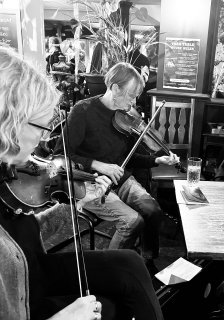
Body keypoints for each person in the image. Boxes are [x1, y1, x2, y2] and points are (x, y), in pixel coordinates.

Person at [0, 47, 164, 320]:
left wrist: (78, 204)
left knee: (131, 262)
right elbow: (63, 154)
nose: (43, 139)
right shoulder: (83, 111)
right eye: (41, 127)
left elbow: (31, 232)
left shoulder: (8, 172)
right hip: (26, 289)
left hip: (34, 269)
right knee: (113, 302)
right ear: (10, 123)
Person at [54, 62, 179, 274]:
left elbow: (128, 159)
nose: (134, 101)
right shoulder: (83, 110)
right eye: (131, 95)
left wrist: (156, 161)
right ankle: (109, 271)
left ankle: (147, 261)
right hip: (87, 182)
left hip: (118, 178)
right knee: (132, 221)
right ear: (114, 88)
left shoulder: (125, 118)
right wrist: (99, 165)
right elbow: (61, 156)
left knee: (152, 210)